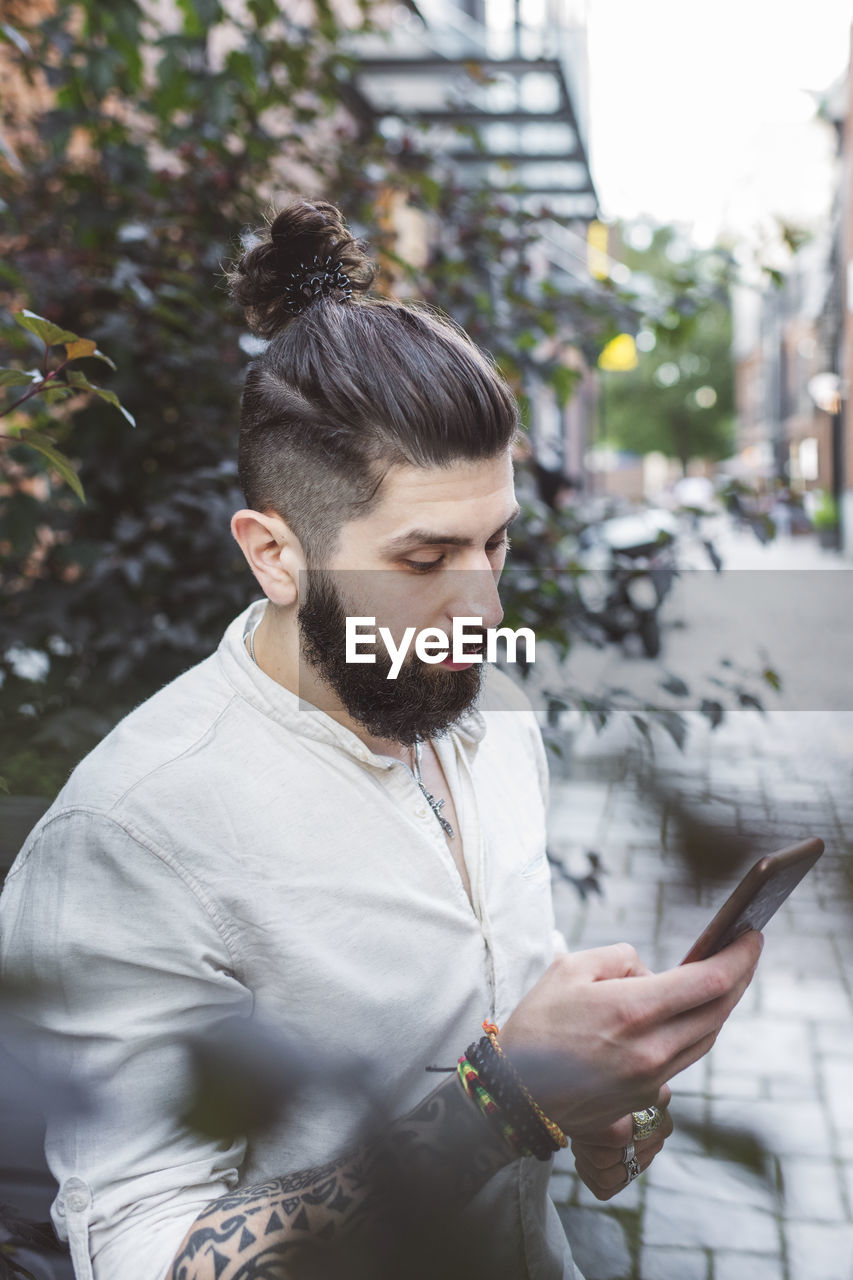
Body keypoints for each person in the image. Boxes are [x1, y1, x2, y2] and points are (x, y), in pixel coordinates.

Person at [0, 200, 762, 1280]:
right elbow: (153, 1256)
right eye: (422, 558)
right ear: (274, 553)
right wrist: (510, 1100)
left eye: (496, 543)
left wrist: (601, 1100)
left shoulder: (488, 711)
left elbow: (517, 1025)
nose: (483, 606)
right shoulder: (133, 833)